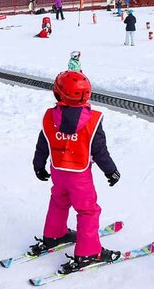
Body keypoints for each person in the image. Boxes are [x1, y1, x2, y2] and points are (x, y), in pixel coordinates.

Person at [31, 71, 121, 274]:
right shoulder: (92, 120)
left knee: (58, 201)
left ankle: (54, 235)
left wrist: (38, 164)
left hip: (58, 171)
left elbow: (43, 143)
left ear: (58, 93)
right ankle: (89, 252)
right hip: (79, 176)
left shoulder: (50, 116)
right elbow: (99, 151)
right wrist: (111, 171)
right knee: (88, 211)